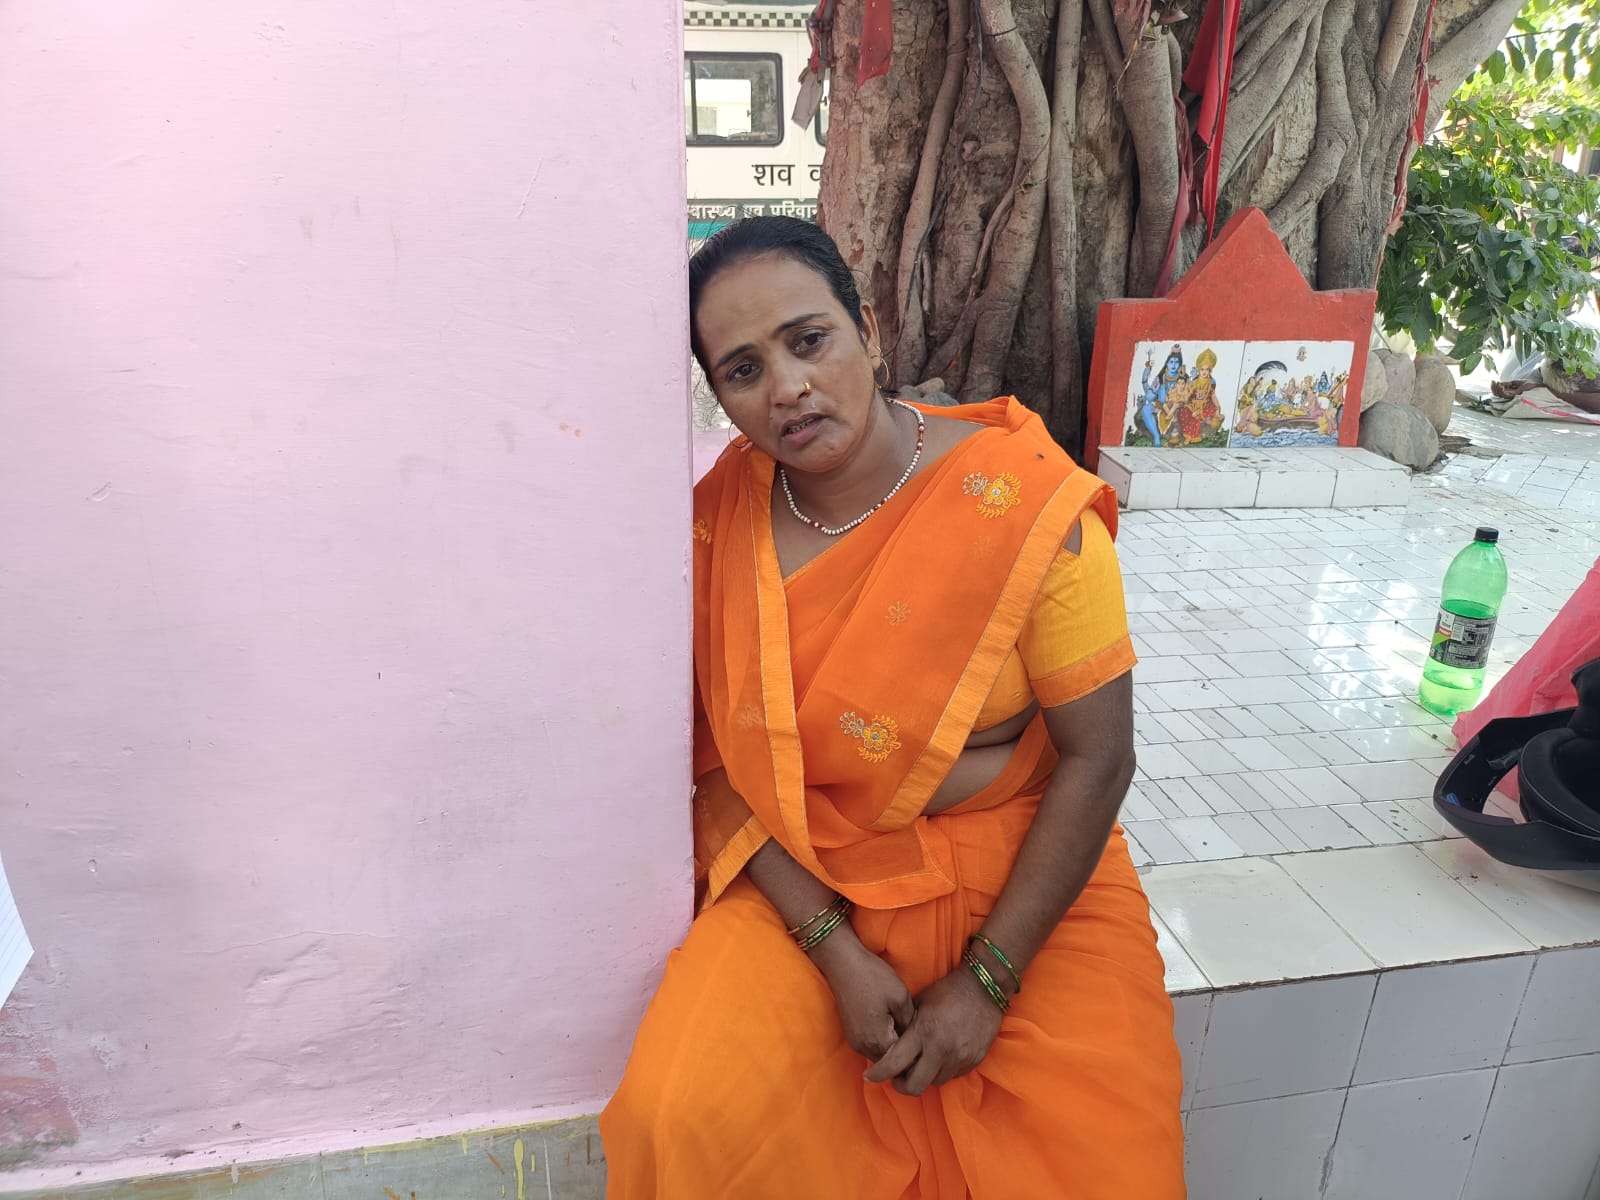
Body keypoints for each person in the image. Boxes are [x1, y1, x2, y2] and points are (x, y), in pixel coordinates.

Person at [600, 216, 1184, 1199]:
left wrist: (991, 978)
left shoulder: (1021, 506)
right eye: (743, 370)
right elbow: (714, 763)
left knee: (1105, 1168)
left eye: (808, 340)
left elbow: (1099, 758)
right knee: (681, 1112)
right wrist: (830, 948)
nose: (787, 387)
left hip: (1026, 876)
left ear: (867, 329)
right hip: (808, 872)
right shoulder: (713, 533)